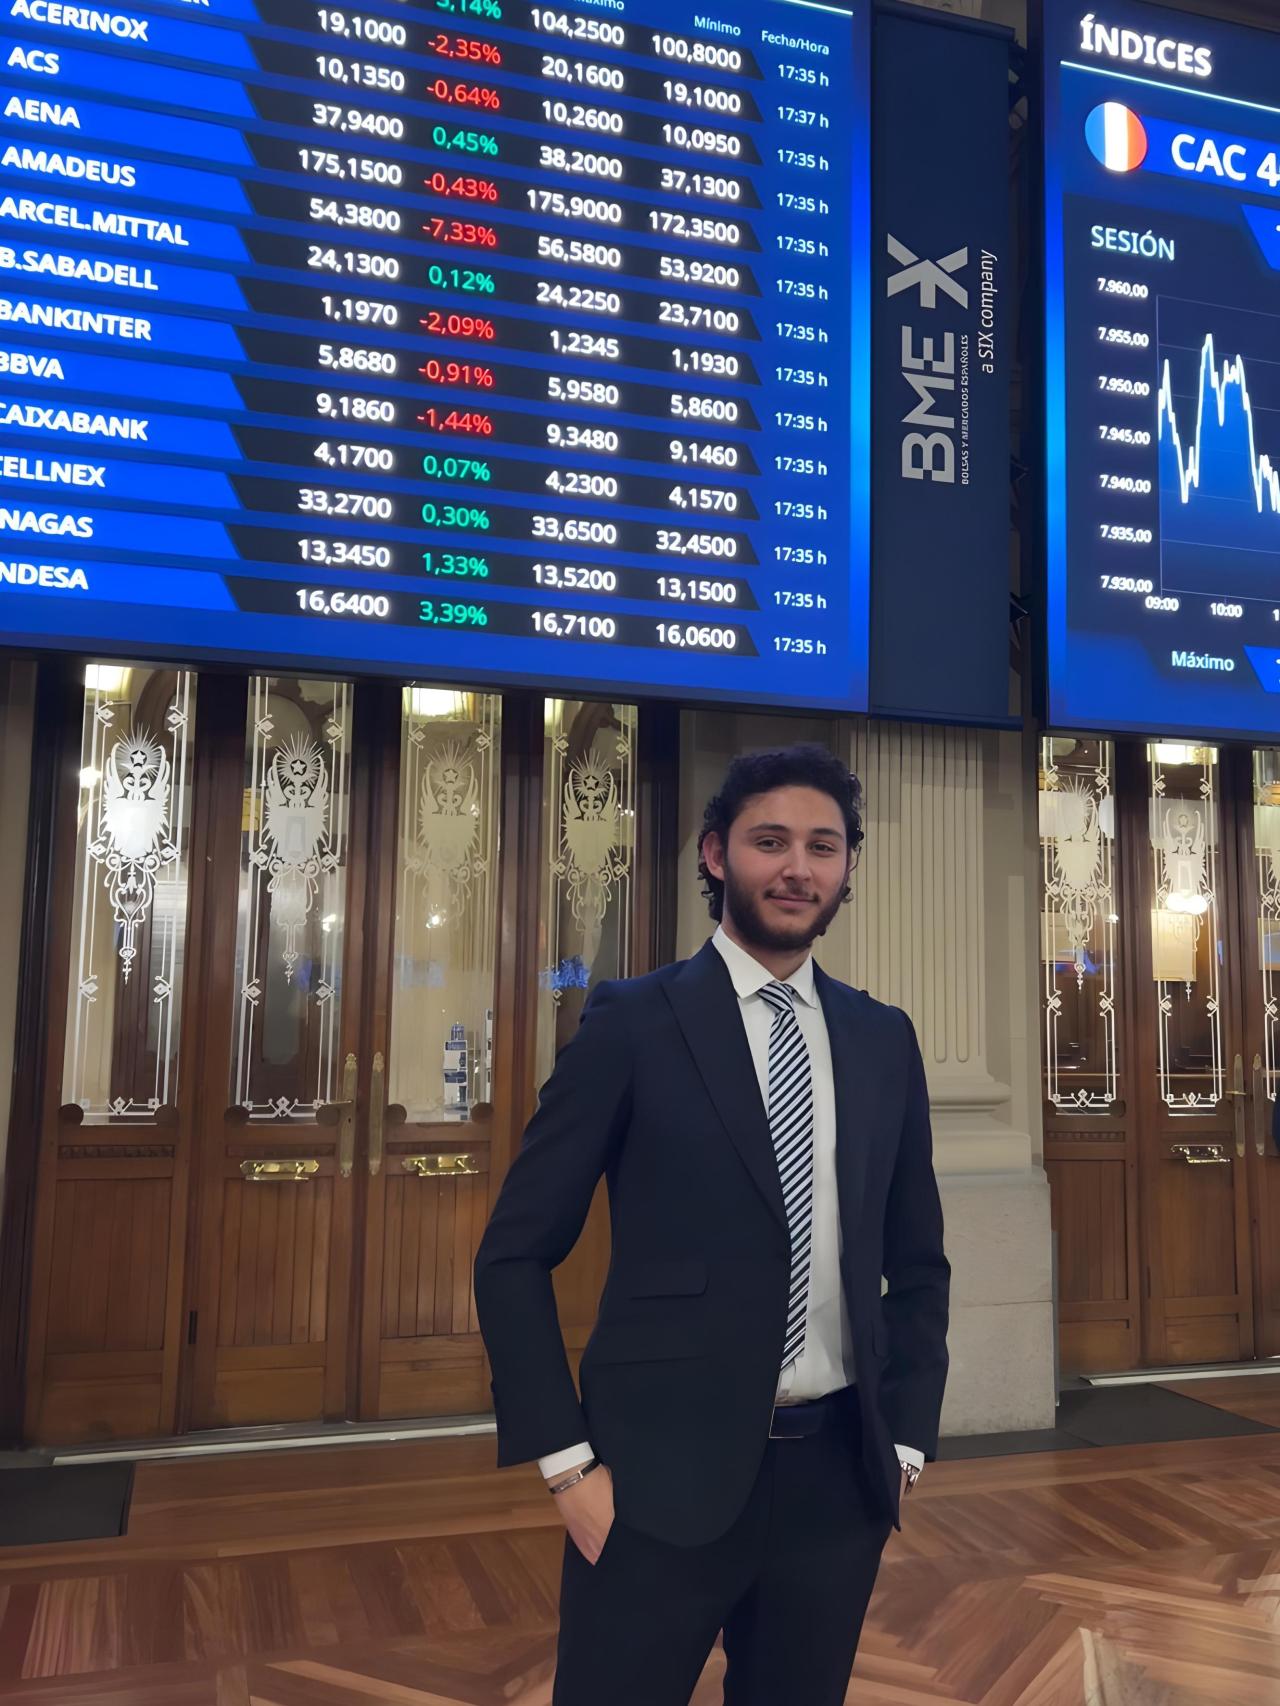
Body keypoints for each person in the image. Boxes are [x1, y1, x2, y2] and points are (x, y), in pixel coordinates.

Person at [474, 743, 950, 1706]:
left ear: (847, 868)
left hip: (837, 1488)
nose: (798, 867)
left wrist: (904, 1440)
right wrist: (568, 1468)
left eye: (823, 846)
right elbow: (513, 1253)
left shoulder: (880, 1038)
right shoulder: (632, 1023)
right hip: (653, 1483)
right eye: (770, 841)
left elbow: (918, 1260)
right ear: (714, 855)